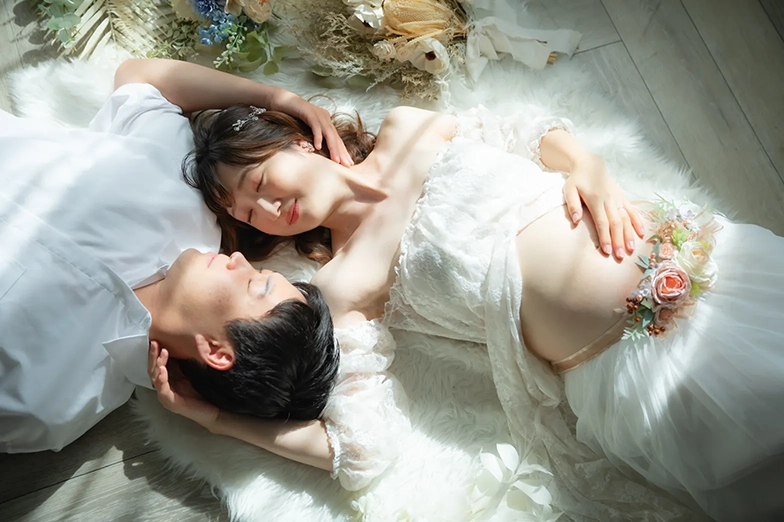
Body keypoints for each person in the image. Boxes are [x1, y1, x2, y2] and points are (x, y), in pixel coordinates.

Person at [148, 58, 784, 520]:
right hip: (633, 366)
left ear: (295, 137)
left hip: (706, 258)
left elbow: (527, 130)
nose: (266, 208)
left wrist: (587, 165)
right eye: (248, 213)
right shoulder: (343, 284)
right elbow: (362, 447)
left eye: (260, 180)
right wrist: (215, 420)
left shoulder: (408, 129)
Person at [0, 58, 349, 453]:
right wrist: (275, 97)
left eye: (254, 284)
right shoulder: (187, 197)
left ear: (216, 352)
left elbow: (359, 452)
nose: (239, 260)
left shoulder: (51, 401)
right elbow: (139, 78)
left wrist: (219, 422)